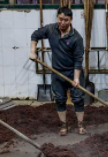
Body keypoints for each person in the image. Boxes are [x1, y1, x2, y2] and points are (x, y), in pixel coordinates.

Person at [29, 7, 86, 136]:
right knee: (60, 99)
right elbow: (35, 35)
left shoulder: (76, 38)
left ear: (71, 20)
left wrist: (76, 78)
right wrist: (33, 51)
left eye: (66, 20)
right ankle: (64, 125)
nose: (62, 23)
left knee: (77, 99)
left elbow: (78, 60)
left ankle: (80, 125)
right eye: (60, 19)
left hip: (73, 72)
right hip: (57, 73)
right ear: (57, 18)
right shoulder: (51, 29)